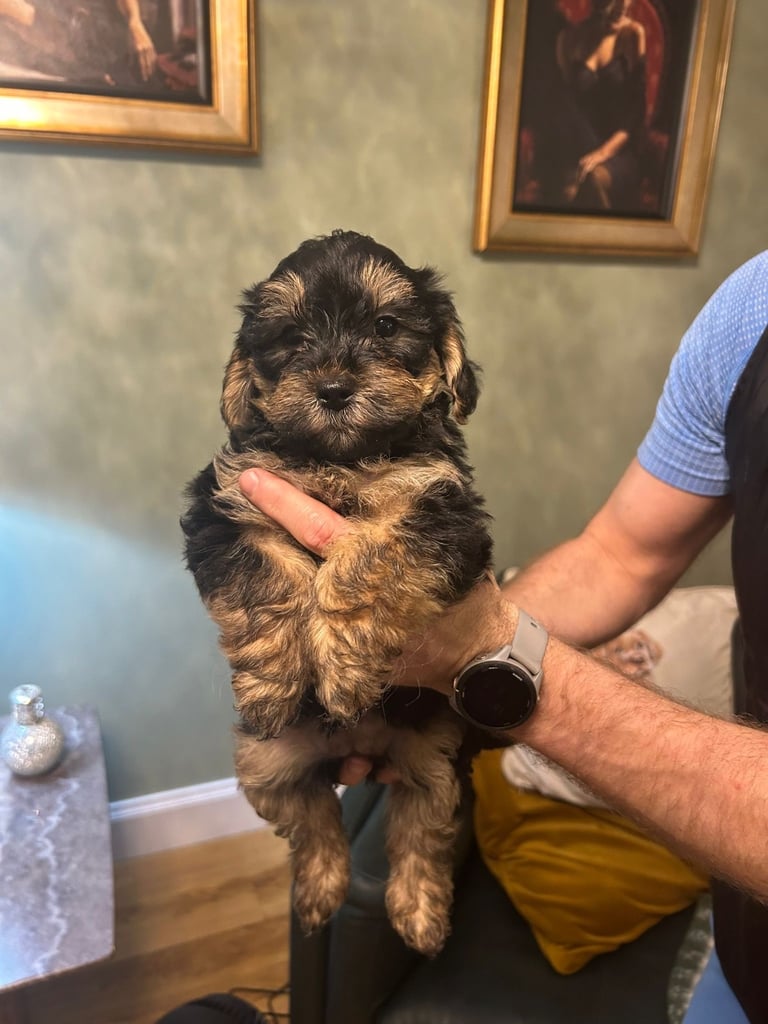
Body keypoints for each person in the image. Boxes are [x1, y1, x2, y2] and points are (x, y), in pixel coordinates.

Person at [236, 250, 768, 1023]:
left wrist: (481, 656)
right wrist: (412, 675)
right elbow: (622, 553)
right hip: (744, 947)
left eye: (386, 329)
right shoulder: (752, 303)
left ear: (443, 365)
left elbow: (466, 616)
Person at [523, 0, 648, 213]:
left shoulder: (633, 35)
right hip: (577, 146)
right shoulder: (568, 38)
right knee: (568, 192)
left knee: (593, 181)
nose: (624, 5)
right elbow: (566, 109)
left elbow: (635, 115)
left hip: (618, 150)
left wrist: (602, 153)